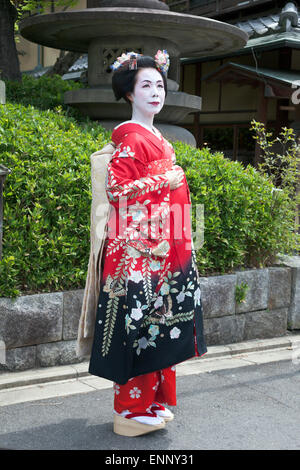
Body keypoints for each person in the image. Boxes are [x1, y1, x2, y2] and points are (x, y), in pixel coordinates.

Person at [86, 50, 207, 437]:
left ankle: (151, 400)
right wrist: (163, 181)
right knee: (137, 324)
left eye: (159, 85)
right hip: (137, 251)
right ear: (129, 93)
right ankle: (129, 409)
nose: (155, 92)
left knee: (163, 321)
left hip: (160, 245)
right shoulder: (132, 138)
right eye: (146, 86)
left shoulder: (156, 137)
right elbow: (117, 189)